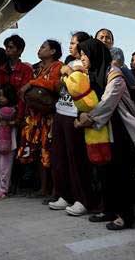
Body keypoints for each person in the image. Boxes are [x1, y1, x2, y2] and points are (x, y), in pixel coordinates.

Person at [75, 38, 135, 231]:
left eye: (85, 54)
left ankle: (125, 215)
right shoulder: (92, 74)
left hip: (119, 131)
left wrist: (87, 118)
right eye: (81, 55)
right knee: (104, 172)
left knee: (120, 173)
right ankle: (109, 209)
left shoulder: (114, 74)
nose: (82, 58)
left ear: (95, 54)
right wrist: (82, 115)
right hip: (102, 130)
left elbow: (108, 102)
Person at [49, 31, 94, 216]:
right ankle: (64, 195)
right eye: (70, 42)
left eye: (74, 43)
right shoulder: (68, 63)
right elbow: (60, 85)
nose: (70, 46)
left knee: (76, 159)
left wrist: (69, 72)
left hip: (74, 114)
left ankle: (82, 198)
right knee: (60, 157)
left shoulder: (85, 64)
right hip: (61, 111)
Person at [18, 40, 63, 198]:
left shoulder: (58, 66)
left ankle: (55, 190)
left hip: (50, 116)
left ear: (52, 51)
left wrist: (32, 82)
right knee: (39, 154)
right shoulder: (37, 68)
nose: (40, 49)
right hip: (35, 117)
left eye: (43, 46)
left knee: (51, 153)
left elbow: (56, 85)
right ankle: (43, 188)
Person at [0, 35, 33, 121]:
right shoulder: (0, 70)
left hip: (19, 115)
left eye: (11, 47)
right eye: (6, 47)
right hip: (1, 115)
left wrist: (19, 117)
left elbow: (23, 96)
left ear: (20, 50)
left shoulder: (26, 70)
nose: (7, 49)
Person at [0, 85, 18, 201]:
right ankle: (6, 186)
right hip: (1, 140)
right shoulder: (10, 110)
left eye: (3, 96)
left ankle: (3, 190)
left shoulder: (9, 110)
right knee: (3, 165)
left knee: (4, 166)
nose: (0, 98)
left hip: (7, 142)